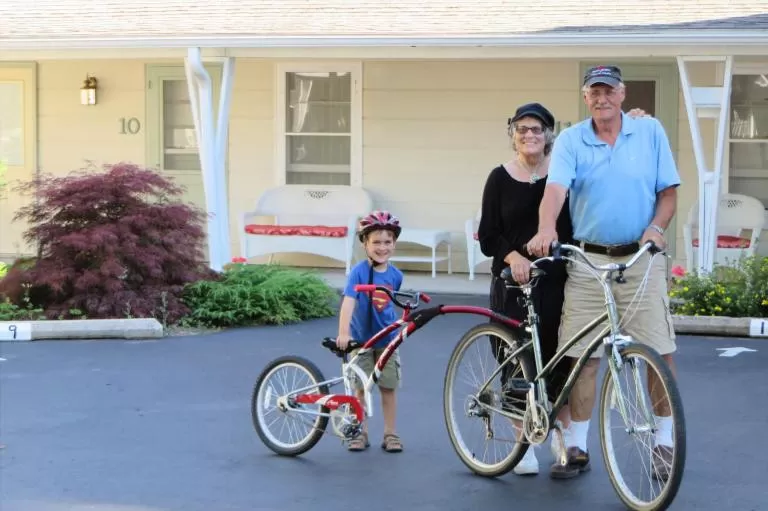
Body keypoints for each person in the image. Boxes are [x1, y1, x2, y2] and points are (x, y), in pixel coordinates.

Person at [527, 65, 680, 481]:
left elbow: (668, 194)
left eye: (608, 91)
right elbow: (555, 190)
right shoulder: (573, 140)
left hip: (641, 257)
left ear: (622, 93)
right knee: (583, 358)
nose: (602, 98)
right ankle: (576, 444)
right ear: (586, 96)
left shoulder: (650, 132)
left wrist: (655, 229)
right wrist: (546, 228)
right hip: (589, 261)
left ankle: (664, 442)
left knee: (659, 353)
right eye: (594, 92)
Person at [477, 102, 574, 476]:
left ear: (549, 134)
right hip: (511, 284)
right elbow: (488, 236)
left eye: (536, 129)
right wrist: (514, 257)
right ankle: (524, 444)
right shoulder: (499, 178)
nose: (529, 135)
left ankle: (560, 436)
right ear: (512, 134)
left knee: (561, 357)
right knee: (517, 361)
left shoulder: (562, 175)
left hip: (557, 281)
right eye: (522, 129)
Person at [336, 210, 405, 453]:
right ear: (365, 244)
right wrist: (344, 333)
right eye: (376, 242)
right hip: (361, 341)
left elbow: (391, 306)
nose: (382, 247)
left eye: (388, 242)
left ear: (394, 244)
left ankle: (390, 433)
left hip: (387, 340)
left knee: (388, 387)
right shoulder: (358, 272)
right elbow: (349, 301)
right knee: (360, 388)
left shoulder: (396, 275)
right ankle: (360, 431)